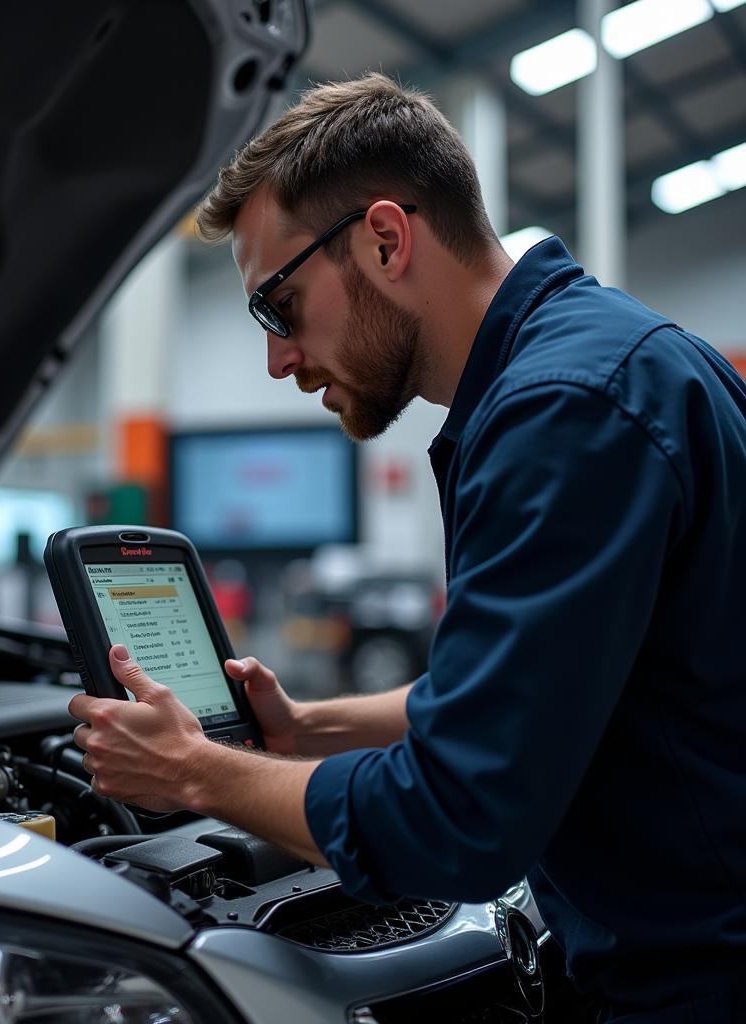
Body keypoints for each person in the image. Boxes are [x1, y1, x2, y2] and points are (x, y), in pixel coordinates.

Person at [69, 73, 746, 1022]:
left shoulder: (566, 411)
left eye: (279, 305)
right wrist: (308, 730)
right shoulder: (606, 360)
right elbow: (532, 697)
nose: (277, 357)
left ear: (385, 240)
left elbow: (460, 820)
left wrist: (196, 770)